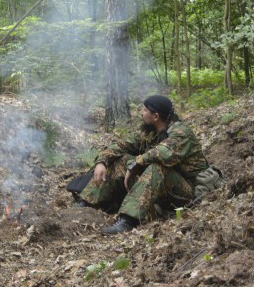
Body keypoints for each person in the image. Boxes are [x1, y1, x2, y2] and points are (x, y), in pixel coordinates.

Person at [77, 95, 209, 235]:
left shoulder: (181, 132)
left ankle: (128, 220)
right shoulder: (150, 131)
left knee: (156, 168)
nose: (141, 112)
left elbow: (163, 153)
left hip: (187, 192)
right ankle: (87, 202)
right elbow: (121, 146)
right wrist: (101, 162)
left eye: (145, 110)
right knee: (122, 159)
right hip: (162, 188)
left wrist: (136, 164)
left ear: (156, 116)